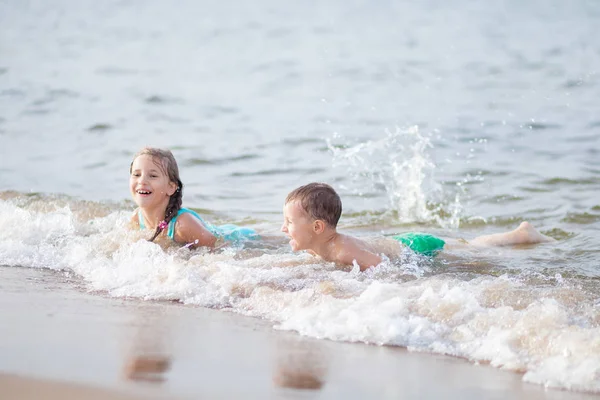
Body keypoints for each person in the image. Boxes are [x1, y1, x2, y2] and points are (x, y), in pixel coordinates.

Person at [281, 182, 554, 271]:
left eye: (289, 222)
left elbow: (382, 268)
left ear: (317, 228)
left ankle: (521, 234)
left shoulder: (342, 250)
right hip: (400, 241)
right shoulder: (317, 248)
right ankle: (521, 234)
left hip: (417, 246)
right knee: (467, 246)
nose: (283, 229)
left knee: (473, 250)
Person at [129, 147, 257, 248]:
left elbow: (217, 249)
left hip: (240, 237)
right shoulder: (136, 218)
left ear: (171, 187)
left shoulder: (183, 224)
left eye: (153, 176)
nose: (142, 181)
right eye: (136, 174)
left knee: (274, 240)